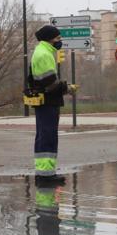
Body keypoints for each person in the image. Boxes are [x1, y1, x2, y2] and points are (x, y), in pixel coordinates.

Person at [31, 25, 72, 186]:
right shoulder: (44, 54)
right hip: (48, 101)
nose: (60, 41)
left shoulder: (43, 51)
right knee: (47, 137)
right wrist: (67, 88)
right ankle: (46, 176)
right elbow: (50, 84)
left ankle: (45, 174)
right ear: (50, 38)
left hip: (45, 101)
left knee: (44, 136)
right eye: (58, 38)